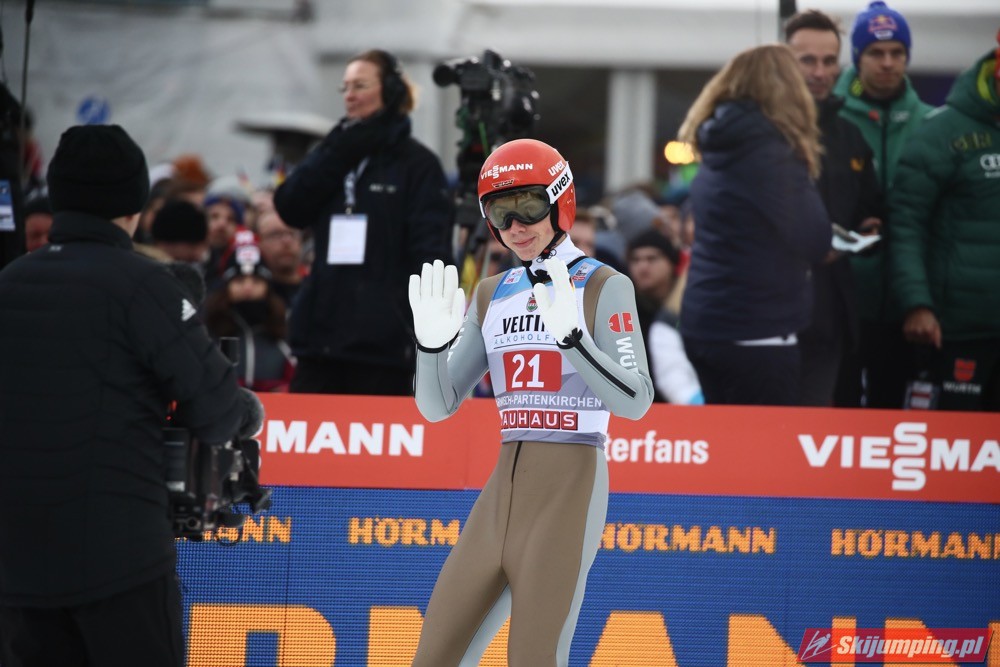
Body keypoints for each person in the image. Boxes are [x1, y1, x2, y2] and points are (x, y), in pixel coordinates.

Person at [0, 124, 262, 667]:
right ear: (133, 204)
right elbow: (216, 410)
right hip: (118, 562)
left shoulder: (9, 282)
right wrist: (247, 411)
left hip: (16, 567)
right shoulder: (145, 286)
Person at [407, 138, 653, 667]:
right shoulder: (492, 292)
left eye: (530, 207)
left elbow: (636, 400)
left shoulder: (603, 285)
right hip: (500, 496)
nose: (517, 226)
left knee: (535, 657)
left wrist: (576, 343)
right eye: (501, 213)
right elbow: (438, 405)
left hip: (570, 487)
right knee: (434, 658)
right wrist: (428, 348)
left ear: (561, 202)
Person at [273, 48, 453, 395]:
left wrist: (424, 329)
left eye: (360, 85)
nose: (350, 96)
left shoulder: (418, 165)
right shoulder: (334, 152)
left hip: (385, 349)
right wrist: (338, 150)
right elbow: (290, 208)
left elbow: (432, 256)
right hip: (320, 342)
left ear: (391, 91)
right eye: (345, 87)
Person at [677, 44, 832, 406]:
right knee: (766, 439)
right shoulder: (772, 154)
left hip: (704, 322)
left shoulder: (717, 143)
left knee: (721, 436)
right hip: (758, 329)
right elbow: (816, 238)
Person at [887, 37, 1000, 411]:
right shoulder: (942, 131)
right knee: (957, 439)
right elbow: (906, 223)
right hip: (958, 329)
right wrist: (917, 304)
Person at [832, 0, 934, 408]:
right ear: (858, 57)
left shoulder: (931, 124)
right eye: (876, 52)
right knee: (838, 413)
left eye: (897, 52)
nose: (888, 62)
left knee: (894, 413)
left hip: (907, 305)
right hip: (843, 298)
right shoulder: (831, 121)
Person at [785, 9, 883, 407]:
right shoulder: (762, 130)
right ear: (785, 62)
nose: (820, 72)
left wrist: (869, 231)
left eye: (829, 61)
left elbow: (870, 209)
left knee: (821, 427)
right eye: (807, 60)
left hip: (833, 312)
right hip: (771, 312)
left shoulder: (849, 136)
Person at [203, 233, 296, 392]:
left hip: (276, 405)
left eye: (256, 281)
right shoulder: (209, 327)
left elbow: (295, 375)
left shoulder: (283, 327)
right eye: (239, 281)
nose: (248, 287)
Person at [626, 229, 703, 405]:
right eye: (635, 260)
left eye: (652, 258)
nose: (642, 267)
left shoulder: (692, 305)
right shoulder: (624, 311)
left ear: (671, 263)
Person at [257, 209, 307, 309]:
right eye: (275, 234)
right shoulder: (255, 294)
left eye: (292, 233)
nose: (287, 241)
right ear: (259, 242)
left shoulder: (318, 288)